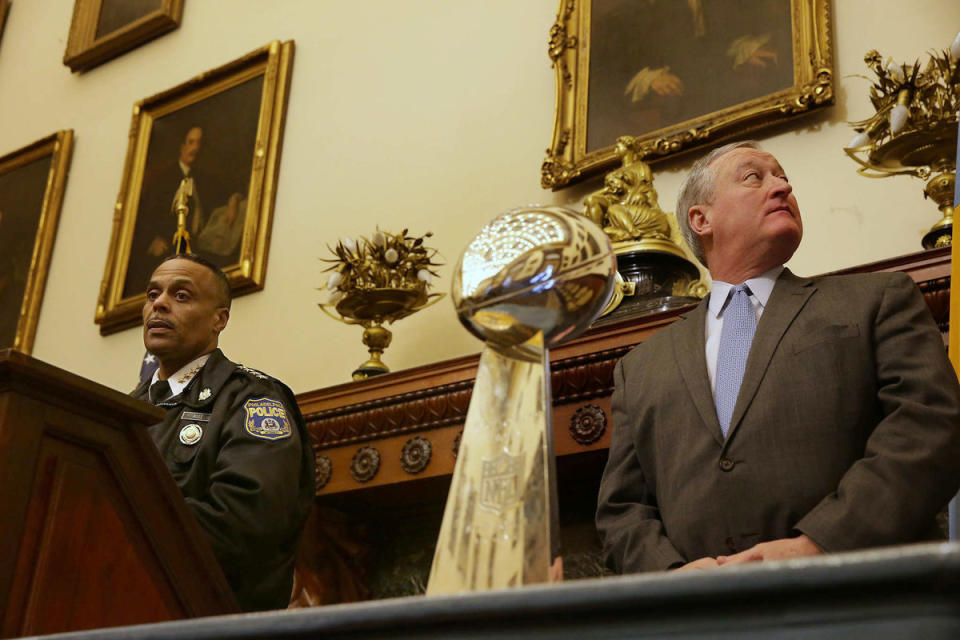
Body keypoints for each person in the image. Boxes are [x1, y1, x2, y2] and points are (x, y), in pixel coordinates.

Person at [596, 141, 960, 573]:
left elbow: (931, 425)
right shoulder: (638, 369)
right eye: (755, 176)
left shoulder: (877, 299)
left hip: (862, 599)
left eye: (784, 176)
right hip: (701, 620)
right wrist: (670, 576)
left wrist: (822, 542)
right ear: (702, 218)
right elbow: (621, 510)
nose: (782, 186)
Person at [131, 253, 315, 610]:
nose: (160, 304)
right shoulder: (124, 408)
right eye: (153, 294)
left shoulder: (252, 398)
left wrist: (122, 533)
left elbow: (246, 522)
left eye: (181, 296)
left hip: (208, 616)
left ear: (220, 319)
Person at [125, 126, 245, 298]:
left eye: (199, 143)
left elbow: (231, 191)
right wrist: (151, 241)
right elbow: (143, 216)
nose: (195, 148)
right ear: (182, 146)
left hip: (199, 247)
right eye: (191, 142)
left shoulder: (204, 179)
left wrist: (234, 201)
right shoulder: (163, 180)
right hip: (168, 249)